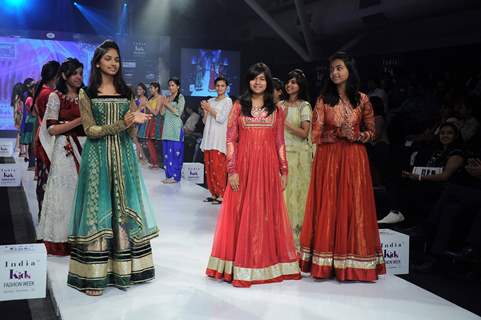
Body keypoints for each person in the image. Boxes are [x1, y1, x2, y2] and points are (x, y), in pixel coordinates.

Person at [67, 40, 158, 296]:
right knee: (98, 211)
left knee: (123, 209)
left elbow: (129, 132)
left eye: (116, 59)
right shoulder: (87, 92)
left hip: (123, 158)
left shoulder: (126, 92)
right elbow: (90, 130)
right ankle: (94, 275)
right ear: (97, 62)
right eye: (108, 59)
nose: (113, 63)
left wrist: (135, 123)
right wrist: (123, 123)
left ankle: (125, 271)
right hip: (97, 159)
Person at [206, 63, 301, 287]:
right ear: (248, 81)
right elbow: (231, 139)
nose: (257, 82)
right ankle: (239, 264)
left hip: (268, 167)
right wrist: (232, 169)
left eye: (262, 79)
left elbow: (279, 141)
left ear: (267, 82)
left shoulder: (276, 109)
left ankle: (265, 264)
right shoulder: (239, 106)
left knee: (266, 213)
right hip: (244, 167)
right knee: (240, 213)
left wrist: (283, 169)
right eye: (253, 78)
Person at [299, 52, 386, 282]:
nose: (335, 73)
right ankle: (327, 264)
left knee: (354, 205)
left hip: (355, 158)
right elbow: (315, 134)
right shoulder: (323, 100)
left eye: (339, 68)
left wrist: (357, 135)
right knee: (330, 204)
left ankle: (354, 264)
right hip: (329, 158)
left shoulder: (362, 99)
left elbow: (372, 132)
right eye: (332, 69)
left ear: (349, 70)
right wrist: (338, 132)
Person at [37, 58, 86, 256]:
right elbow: (51, 128)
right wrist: (79, 121)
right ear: (64, 76)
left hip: (86, 148)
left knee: (84, 194)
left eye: (81, 73)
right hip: (64, 150)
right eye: (74, 73)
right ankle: (61, 241)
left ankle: (84, 239)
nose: (78, 77)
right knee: (65, 194)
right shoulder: (55, 97)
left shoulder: (86, 96)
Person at [279, 69, 312, 249]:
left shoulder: (304, 106)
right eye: (288, 82)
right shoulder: (280, 104)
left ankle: (295, 240)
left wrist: (284, 124)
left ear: (300, 86)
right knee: (281, 197)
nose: (290, 85)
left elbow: (304, 132)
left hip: (298, 158)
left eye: (294, 83)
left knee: (295, 197)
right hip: (281, 155)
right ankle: (280, 237)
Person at [32, 61, 61, 218]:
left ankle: (44, 214)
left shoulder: (44, 91)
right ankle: (45, 215)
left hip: (45, 138)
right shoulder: (48, 94)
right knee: (46, 179)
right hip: (48, 140)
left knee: (45, 177)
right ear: (56, 76)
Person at [200, 76, 233, 204]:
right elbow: (205, 121)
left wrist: (209, 109)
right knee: (209, 167)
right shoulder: (211, 101)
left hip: (218, 138)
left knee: (219, 167)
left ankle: (222, 194)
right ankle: (213, 193)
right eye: (218, 85)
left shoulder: (228, 101)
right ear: (214, 87)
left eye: (222, 86)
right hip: (208, 137)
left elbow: (221, 118)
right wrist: (205, 111)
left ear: (226, 87)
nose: (219, 88)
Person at [160, 77, 185, 183]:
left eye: (173, 85)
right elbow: (162, 113)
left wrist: (167, 104)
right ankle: (169, 176)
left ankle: (176, 177)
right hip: (167, 129)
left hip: (176, 129)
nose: (170, 87)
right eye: (169, 85)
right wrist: (163, 104)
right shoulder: (167, 98)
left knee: (176, 153)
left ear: (178, 86)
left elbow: (178, 112)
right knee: (167, 154)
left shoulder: (181, 97)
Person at [145, 82, 163, 169]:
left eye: (151, 88)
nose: (150, 90)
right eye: (150, 88)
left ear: (157, 88)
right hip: (150, 121)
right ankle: (154, 162)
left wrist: (148, 106)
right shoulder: (151, 99)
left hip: (157, 122)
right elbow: (148, 111)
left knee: (158, 142)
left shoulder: (160, 98)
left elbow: (156, 112)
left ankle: (158, 162)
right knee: (149, 141)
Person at [134, 83, 149, 162]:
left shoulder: (144, 99)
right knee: (136, 139)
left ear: (144, 90)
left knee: (136, 139)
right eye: (137, 89)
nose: (138, 91)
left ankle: (142, 157)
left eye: (140, 89)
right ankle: (141, 157)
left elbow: (140, 110)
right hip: (136, 119)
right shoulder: (137, 98)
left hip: (141, 121)